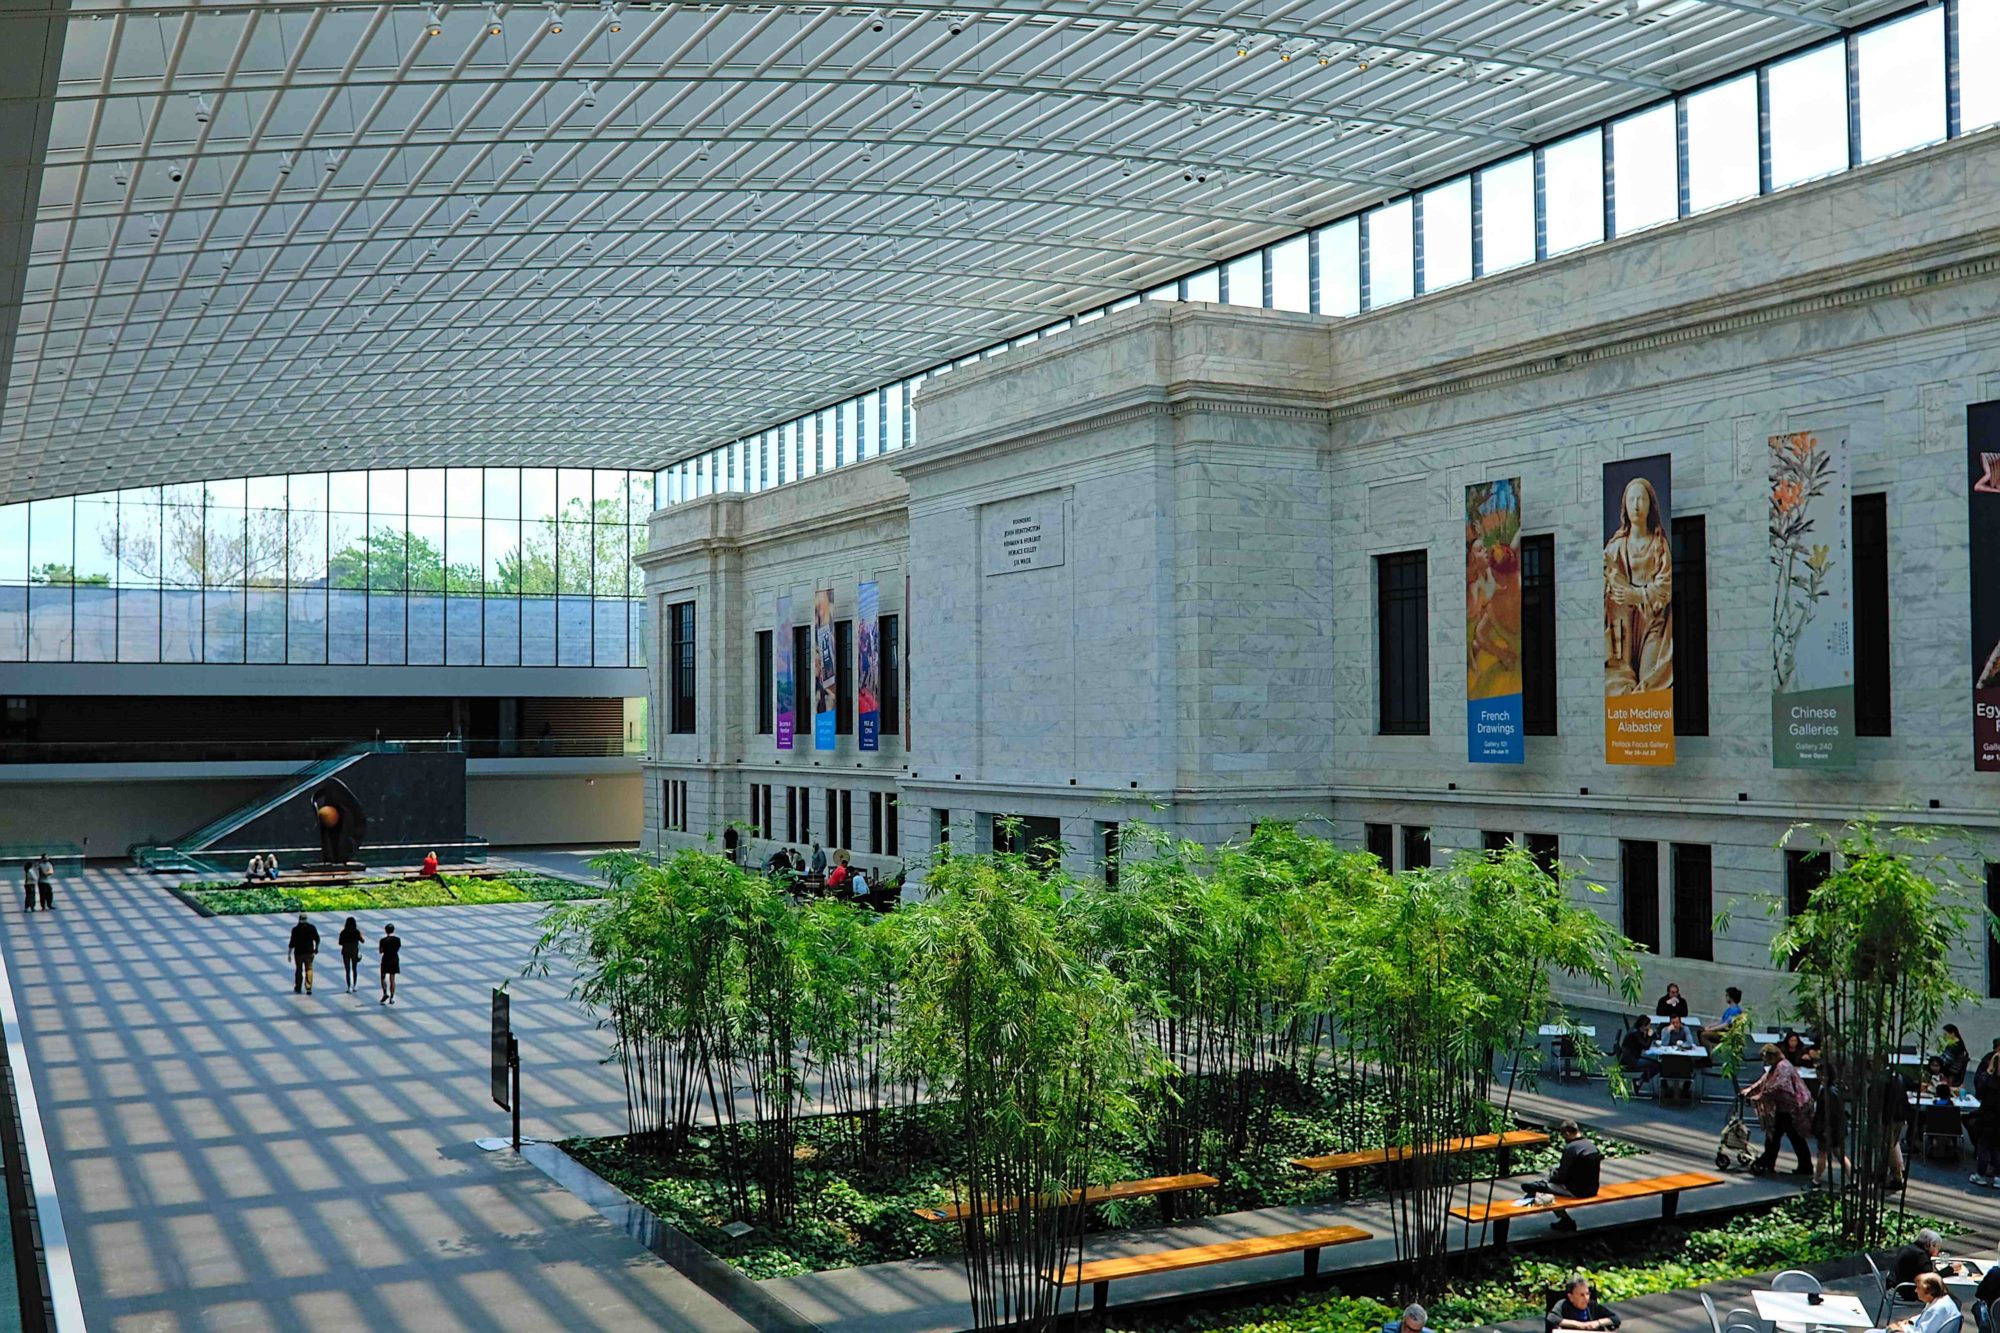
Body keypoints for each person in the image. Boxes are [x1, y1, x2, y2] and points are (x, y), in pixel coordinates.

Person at [1520, 1120, 1601, 1233]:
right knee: (1550, 1184)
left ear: (1567, 1133)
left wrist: (1552, 1176)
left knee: (1547, 1189)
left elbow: (1562, 1176)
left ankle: (1565, 1220)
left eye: (1563, 1135)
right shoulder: (1591, 1146)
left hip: (1577, 1191)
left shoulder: (1571, 1148)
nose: (1563, 1138)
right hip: (1592, 1189)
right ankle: (1539, 1185)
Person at [1744, 1043, 1812, 1176]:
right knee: (1791, 1137)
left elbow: (1779, 1086)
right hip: (1785, 1107)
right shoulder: (1777, 1066)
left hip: (1791, 1107)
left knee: (1776, 1136)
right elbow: (1764, 1081)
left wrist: (1760, 1096)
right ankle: (1803, 1165)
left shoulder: (1784, 1067)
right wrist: (1750, 1090)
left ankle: (1768, 1162)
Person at [1871, 1272, 1961, 1333]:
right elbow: (1923, 1318)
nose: (1915, 1291)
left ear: (1928, 1292)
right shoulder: (1940, 1300)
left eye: (1918, 1288)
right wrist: (1909, 1321)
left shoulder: (1936, 1310)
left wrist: (1896, 1330)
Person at [1546, 1276, 1620, 1332]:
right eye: (1581, 1295)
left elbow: (1615, 1319)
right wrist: (1580, 1325)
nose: (1586, 1298)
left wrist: (1597, 1323)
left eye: (1587, 1294)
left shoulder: (1592, 1305)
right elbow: (1551, 1318)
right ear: (1571, 1296)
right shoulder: (1563, 1305)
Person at [1973, 1042, 2000, 1186]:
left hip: (1988, 1116)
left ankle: (1981, 1175)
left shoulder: (1989, 1081)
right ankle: (1998, 1177)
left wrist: (1989, 1071)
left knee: (1984, 1146)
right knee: (1998, 1147)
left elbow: (1980, 1092)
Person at [1618, 1018, 1659, 1089]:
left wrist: (1648, 1036)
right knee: (1657, 1066)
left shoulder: (1636, 1030)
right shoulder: (1635, 1034)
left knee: (1655, 1061)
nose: (1649, 1027)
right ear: (1643, 1026)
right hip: (1631, 1061)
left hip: (1632, 1057)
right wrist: (1649, 1036)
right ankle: (1639, 1082)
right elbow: (1646, 1046)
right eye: (1648, 1025)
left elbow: (1643, 1043)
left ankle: (1639, 1081)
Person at [288, 912, 320, 994]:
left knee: (299, 969)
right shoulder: (312, 928)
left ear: (299, 920)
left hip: (298, 953)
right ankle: (308, 987)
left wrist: (289, 954)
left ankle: (298, 986)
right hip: (309, 952)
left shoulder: (295, 930)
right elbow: (317, 938)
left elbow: (292, 942)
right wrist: (316, 948)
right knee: (309, 969)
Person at [338, 917, 364, 993]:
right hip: (354, 952)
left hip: (346, 952)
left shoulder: (343, 932)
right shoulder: (356, 932)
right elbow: (362, 941)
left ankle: (349, 986)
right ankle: (355, 985)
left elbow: (340, 943)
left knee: (347, 970)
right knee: (354, 969)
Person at [378, 924, 401, 1005]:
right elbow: (398, 949)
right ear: (393, 930)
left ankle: (385, 993)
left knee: (383, 977)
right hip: (394, 959)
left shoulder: (382, 940)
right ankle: (392, 997)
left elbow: (381, 951)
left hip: (385, 959)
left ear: (385, 930)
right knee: (392, 979)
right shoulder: (397, 939)